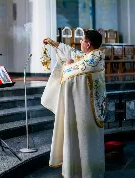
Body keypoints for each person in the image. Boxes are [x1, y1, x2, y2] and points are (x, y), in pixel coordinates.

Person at [41, 30, 106, 178]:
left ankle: (87, 173)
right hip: (89, 109)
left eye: (82, 40)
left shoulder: (92, 60)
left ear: (88, 44)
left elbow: (72, 74)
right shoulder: (94, 55)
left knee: (85, 143)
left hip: (87, 113)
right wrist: (53, 43)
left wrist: (66, 66)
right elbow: (73, 53)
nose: (80, 43)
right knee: (85, 143)